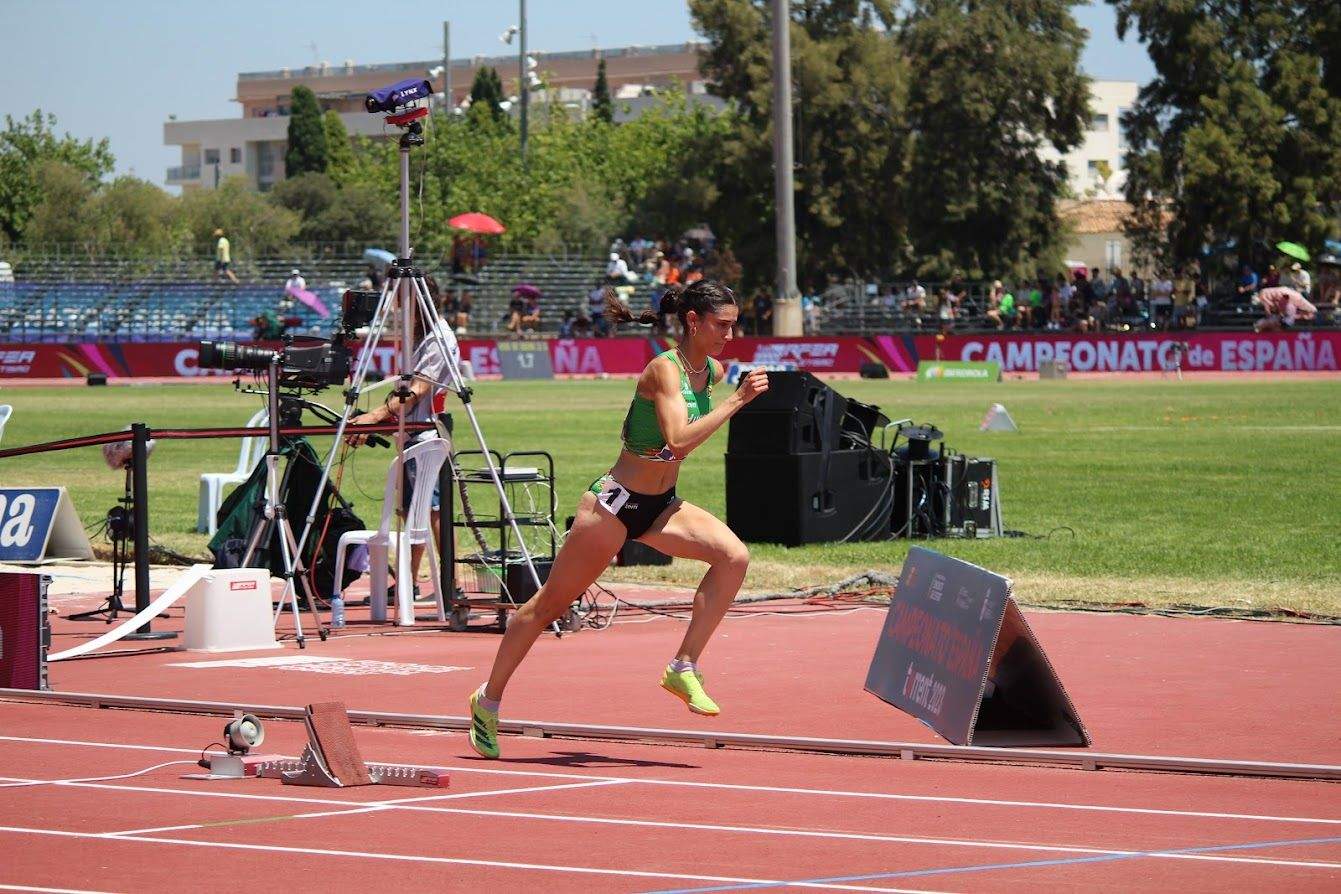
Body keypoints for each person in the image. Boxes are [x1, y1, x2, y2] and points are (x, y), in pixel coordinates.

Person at [466, 281, 770, 759]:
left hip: (661, 506)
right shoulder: (663, 372)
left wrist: (727, 394)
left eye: (734, 324)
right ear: (694, 321)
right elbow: (678, 441)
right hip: (612, 506)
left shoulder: (710, 371)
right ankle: (488, 700)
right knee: (546, 608)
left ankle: (683, 667)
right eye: (722, 324)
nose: (730, 334)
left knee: (733, 557)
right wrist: (736, 402)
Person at [346, 279, 459, 597]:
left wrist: (374, 416)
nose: (397, 312)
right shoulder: (420, 337)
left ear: (420, 303)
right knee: (415, 510)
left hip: (425, 434)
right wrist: (375, 423)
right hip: (414, 432)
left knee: (432, 510)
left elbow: (417, 389)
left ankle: (451, 583)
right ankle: (410, 583)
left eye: (403, 304)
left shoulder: (437, 337)